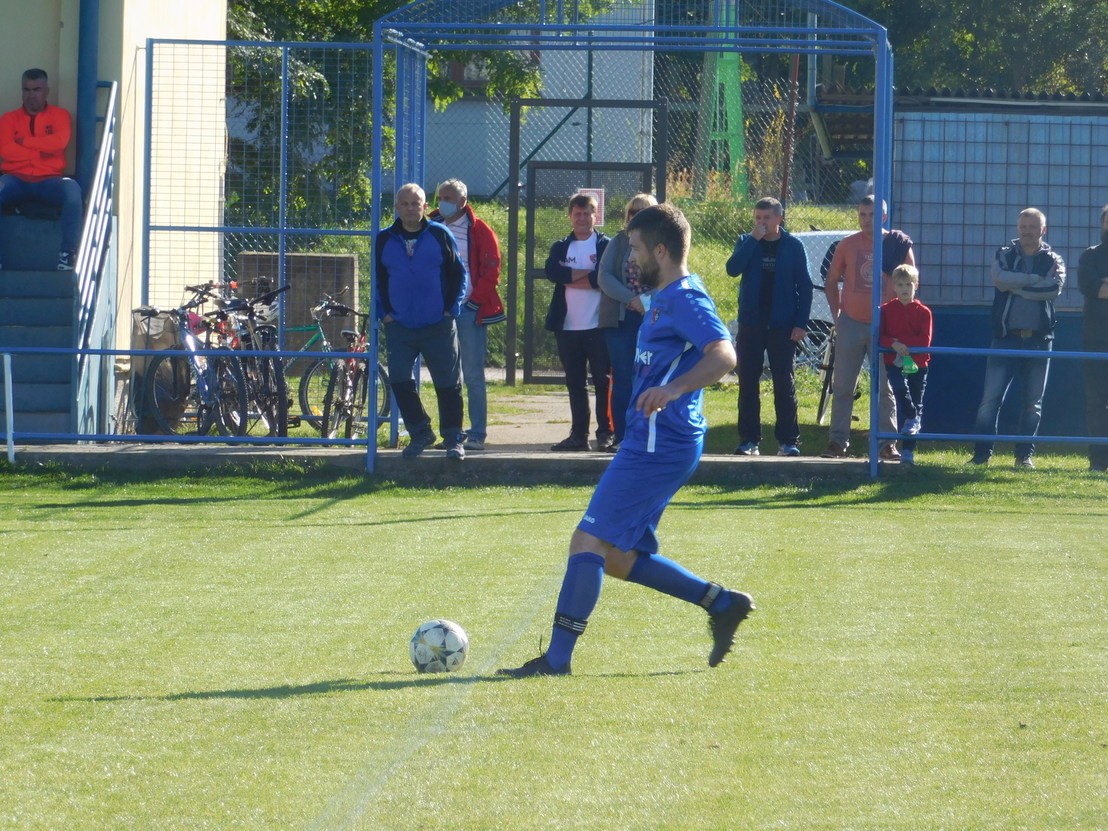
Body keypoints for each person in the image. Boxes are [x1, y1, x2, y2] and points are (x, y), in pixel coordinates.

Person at [498, 203, 754, 678]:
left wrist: (674, 389)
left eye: (635, 249)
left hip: (661, 442)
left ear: (661, 251)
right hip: (654, 439)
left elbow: (724, 355)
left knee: (588, 540)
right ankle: (720, 603)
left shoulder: (685, 299)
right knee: (615, 556)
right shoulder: (664, 296)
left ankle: (557, 660)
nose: (630, 258)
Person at [375, 183, 468, 460]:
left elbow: (458, 274)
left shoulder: (439, 234)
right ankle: (420, 432)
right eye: (404, 204)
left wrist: (451, 309)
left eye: (415, 203)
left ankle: (453, 438)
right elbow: (379, 279)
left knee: (448, 382)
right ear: (396, 207)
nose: (410, 209)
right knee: (399, 380)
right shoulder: (384, 239)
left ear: (425, 207)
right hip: (399, 325)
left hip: (438, 323)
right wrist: (385, 314)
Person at [969, 208, 1065, 469]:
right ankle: (981, 457)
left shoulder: (1054, 259)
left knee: (1033, 404)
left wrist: (1018, 287)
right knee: (990, 402)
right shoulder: (1004, 254)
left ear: (1043, 230)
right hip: (1005, 338)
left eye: (1032, 227)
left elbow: (1053, 289)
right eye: (1023, 226)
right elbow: (1000, 280)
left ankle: (1023, 457)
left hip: (1039, 340)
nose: (1027, 231)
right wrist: (1034, 281)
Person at [821, 195, 914, 460]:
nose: (866, 220)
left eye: (872, 215)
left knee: (886, 386)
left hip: (886, 326)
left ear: (883, 216)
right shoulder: (847, 244)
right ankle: (837, 442)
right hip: (851, 322)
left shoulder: (897, 244)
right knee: (842, 386)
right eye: (862, 214)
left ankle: (887, 444)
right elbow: (831, 280)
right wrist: (837, 315)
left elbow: (911, 283)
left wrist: (900, 320)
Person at [725, 196, 813, 457]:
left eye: (767, 218)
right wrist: (753, 239)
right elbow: (732, 269)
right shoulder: (746, 241)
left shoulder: (793, 246)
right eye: (757, 218)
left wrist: (800, 323)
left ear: (779, 219)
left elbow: (805, 287)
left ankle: (788, 441)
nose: (761, 222)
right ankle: (749, 440)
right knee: (748, 381)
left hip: (782, 325)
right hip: (751, 323)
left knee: (784, 382)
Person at [428, 179, 505, 452]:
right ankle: (452, 433)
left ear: (462, 202)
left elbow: (492, 271)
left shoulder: (480, 230)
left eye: (448, 198)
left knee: (472, 375)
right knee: (447, 376)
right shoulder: (431, 226)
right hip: (438, 312)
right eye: (440, 197)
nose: (443, 202)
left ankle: (477, 433)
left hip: (468, 310)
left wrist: (474, 303)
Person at [544, 192, 614, 451]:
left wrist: (572, 277)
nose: (582, 218)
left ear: (596, 216)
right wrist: (589, 276)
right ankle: (578, 436)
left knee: (603, 382)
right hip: (567, 327)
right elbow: (554, 272)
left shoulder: (606, 246)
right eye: (577, 214)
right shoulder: (561, 246)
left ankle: (605, 433)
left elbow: (603, 278)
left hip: (598, 327)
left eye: (587, 214)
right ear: (570, 216)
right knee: (575, 383)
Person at [0, 68, 83, 271]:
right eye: (26, 90)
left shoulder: (60, 116)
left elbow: (59, 143)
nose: (31, 95)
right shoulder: (8, 119)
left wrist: (24, 142)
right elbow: (6, 150)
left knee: (72, 190)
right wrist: (41, 152)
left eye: (37, 89)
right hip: (15, 180)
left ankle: (67, 254)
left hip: (49, 180)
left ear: (46, 91)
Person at [597, 192, 657, 451]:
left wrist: (647, 300)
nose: (636, 217)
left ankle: (646, 436)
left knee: (648, 378)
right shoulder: (619, 241)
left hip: (652, 319)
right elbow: (604, 276)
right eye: (633, 212)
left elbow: (671, 276)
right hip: (621, 320)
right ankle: (623, 437)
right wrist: (631, 299)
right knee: (623, 378)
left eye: (643, 212)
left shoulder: (662, 244)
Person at [879, 264, 932, 465]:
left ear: (916, 286)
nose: (904, 289)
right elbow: (880, 337)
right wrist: (893, 343)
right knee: (899, 389)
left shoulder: (924, 312)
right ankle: (911, 415)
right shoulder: (886, 310)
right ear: (893, 287)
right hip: (894, 361)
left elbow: (924, 341)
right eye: (900, 285)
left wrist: (901, 343)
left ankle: (908, 451)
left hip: (917, 362)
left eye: (908, 285)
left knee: (916, 401)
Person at [1076, 204, 1108, 472]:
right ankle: (1098, 461)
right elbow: (1090, 288)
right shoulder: (1090, 256)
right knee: (1096, 402)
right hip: (1096, 340)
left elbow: (1101, 289)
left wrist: (1104, 283)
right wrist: (1100, 286)